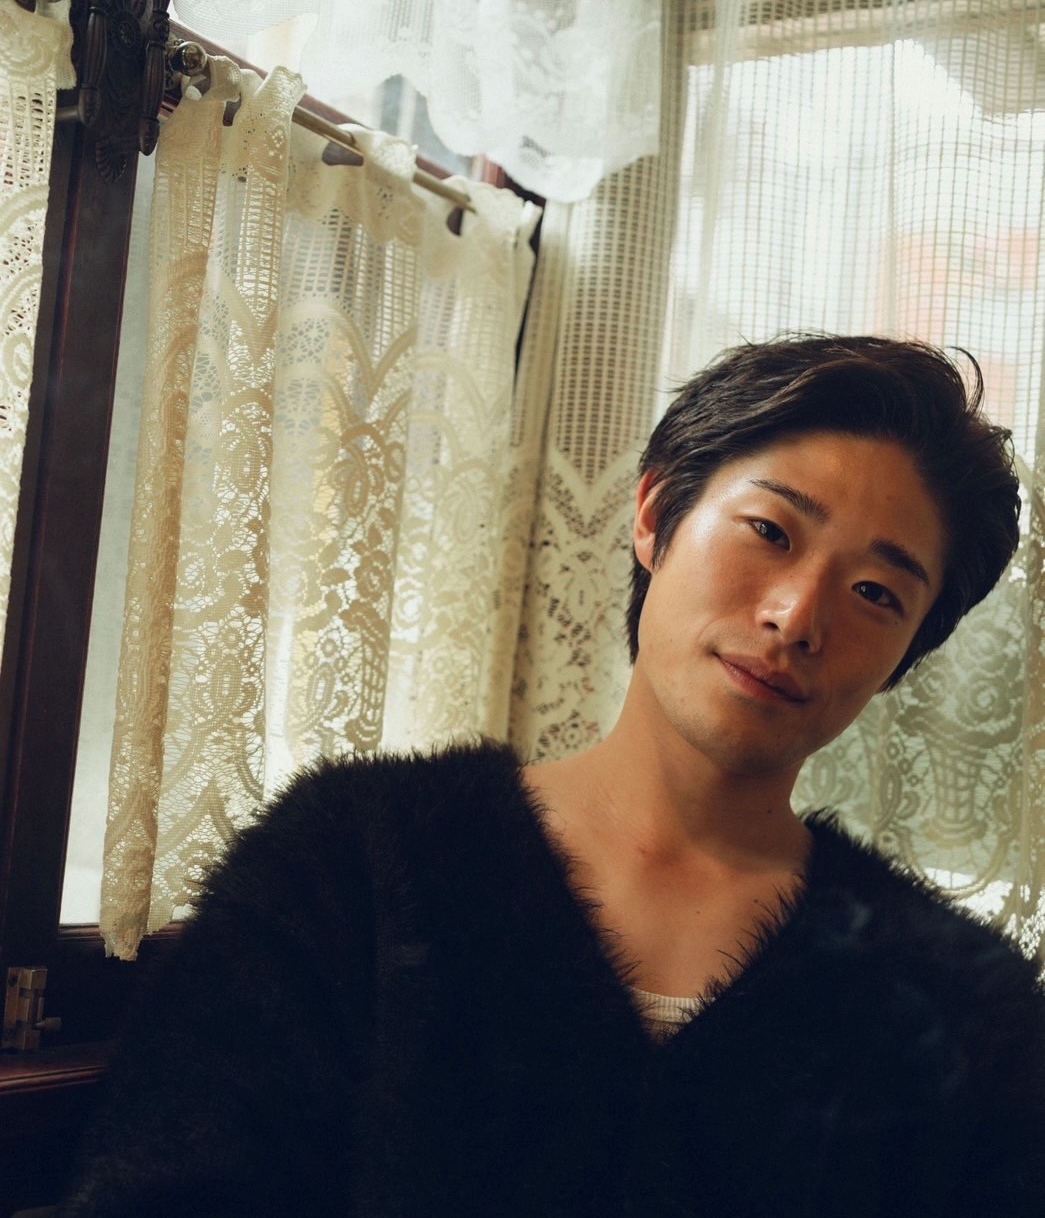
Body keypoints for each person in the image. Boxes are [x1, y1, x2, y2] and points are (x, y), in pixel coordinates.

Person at [63, 335, 1045, 1217]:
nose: (796, 616)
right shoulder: (352, 859)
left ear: (907, 654)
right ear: (655, 515)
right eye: (770, 531)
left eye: (876, 592)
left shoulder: (965, 1007)